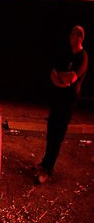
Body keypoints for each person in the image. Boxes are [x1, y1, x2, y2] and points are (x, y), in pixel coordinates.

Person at [37, 25, 88, 184]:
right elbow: (53, 73)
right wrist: (61, 81)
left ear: (79, 38)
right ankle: (44, 163)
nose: (69, 38)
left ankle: (48, 169)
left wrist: (62, 78)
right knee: (51, 131)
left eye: (72, 35)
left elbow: (72, 78)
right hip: (57, 98)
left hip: (68, 102)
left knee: (58, 135)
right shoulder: (65, 53)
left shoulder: (82, 57)